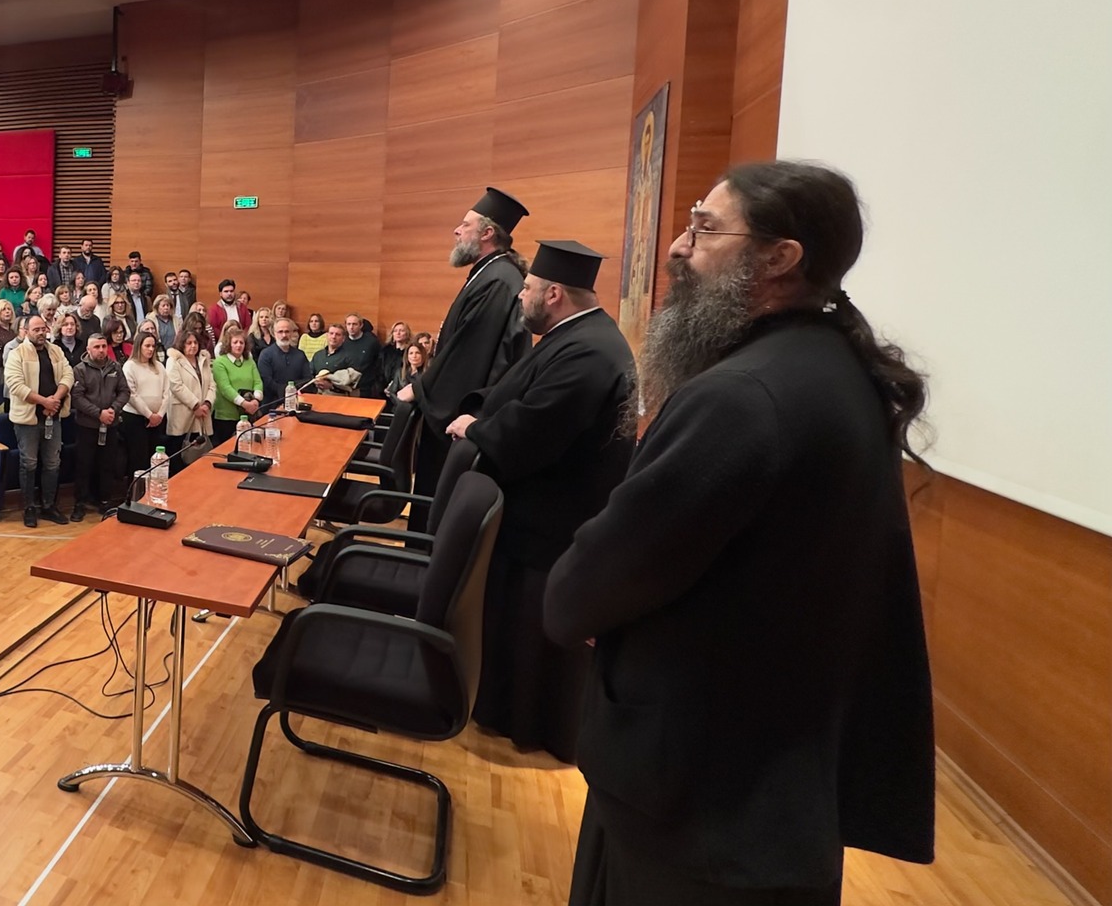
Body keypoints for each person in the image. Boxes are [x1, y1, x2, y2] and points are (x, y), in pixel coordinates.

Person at [544, 163, 935, 904]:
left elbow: (590, 584)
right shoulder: (830, 368)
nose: (679, 248)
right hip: (759, 778)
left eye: (705, 228)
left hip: (699, 793)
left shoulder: (741, 398)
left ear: (780, 257)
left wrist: (589, 602)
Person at [435, 242, 638, 765]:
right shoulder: (573, 336)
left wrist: (478, 427)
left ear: (554, 293)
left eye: (526, 288)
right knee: (513, 620)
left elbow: (537, 425)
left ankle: (529, 726)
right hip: (537, 513)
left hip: (553, 520)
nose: (519, 294)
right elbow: (518, 392)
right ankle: (500, 710)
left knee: (532, 633)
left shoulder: (591, 350)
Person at [400, 187, 532, 496]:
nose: (456, 231)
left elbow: (471, 353)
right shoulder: (490, 273)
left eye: (465, 225)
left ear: (487, 233)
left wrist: (422, 388)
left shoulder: (498, 280)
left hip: (462, 413)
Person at [3, 314, 73, 527]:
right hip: (28, 420)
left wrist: (56, 400)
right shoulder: (17, 354)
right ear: (25, 332)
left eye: (44, 329)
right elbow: (16, 385)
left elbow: (68, 375)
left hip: (54, 416)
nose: (42, 333)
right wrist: (45, 402)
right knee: (29, 463)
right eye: (36, 330)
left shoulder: (56, 351)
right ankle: (29, 508)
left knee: (53, 463)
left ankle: (49, 505)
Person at [68, 332, 129, 521]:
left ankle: (104, 500)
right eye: (97, 347)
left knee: (107, 464)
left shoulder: (115, 367)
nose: (101, 350)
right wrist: (98, 413)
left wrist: (113, 410)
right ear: (88, 349)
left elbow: (124, 391)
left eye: (103, 346)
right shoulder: (79, 370)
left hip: (110, 424)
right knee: (84, 465)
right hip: (87, 426)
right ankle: (80, 503)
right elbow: (77, 397)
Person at [119, 331, 168, 483]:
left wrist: (159, 414)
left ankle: (153, 489)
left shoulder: (159, 366)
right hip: (135, 419)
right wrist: (149, 415)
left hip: (157, 419)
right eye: (147, 346)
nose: (151, 349)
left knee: (154, 457)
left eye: (153, 346)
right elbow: (132, 394)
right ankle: (135, 493)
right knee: (138, 458)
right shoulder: (130, 366)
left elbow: (167, 392)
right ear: (139, 346)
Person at [164, 327, 216, 472]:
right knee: (180, 456)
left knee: (199, 457)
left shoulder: (203, 360)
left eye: (195, 342)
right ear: (181, 344)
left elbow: (212, 384)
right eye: (188, 343)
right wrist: (195, 406)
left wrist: (207, 403)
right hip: (183, 414)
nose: (193, 346)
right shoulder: (173, 361)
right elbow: (176, 386)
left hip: (203, 415)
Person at [211, 325, 264, 443]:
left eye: (241, 342)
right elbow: (225, 388)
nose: (239, 345)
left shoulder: (249, 361)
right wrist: (245, 404)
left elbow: (258, 382)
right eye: (235, 342)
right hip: (226, 417)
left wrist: (256, 400)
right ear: (228, 344)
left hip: (248, 414)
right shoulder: (220, 362)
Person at [256, 315, 312, 406]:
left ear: (291, 333)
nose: (284, 335)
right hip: (272, 404)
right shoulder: (265, 354)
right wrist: (286, 390)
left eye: (287, 331)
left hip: (297, 401)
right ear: (274, 333)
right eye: (280, 332)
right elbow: (266, 381)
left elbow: (307, 379)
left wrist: (292, 389)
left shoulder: (300, 355)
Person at [205, 278, 251, 343]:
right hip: (222, 343)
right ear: (220, 293)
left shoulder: (242, 307)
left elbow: (248, 325)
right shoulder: (214, 309)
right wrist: (226, 339)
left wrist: (242, 337)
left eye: (231, 291)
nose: (229, 294)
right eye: (226, 291)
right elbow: (213, 328)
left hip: (240, 342)